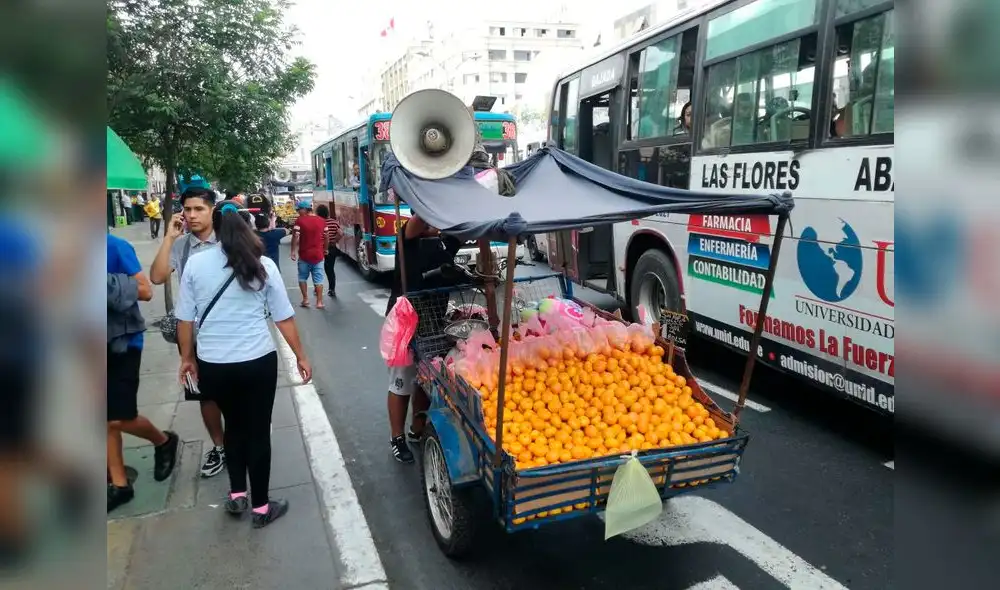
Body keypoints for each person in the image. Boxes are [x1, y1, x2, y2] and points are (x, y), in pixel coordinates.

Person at [175, 202, 312, 528]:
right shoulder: (262, 265)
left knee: (233, 428)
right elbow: (283, 317)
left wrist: (186, 358)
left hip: (214, 365)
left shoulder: (196, 264)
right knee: (257, 432)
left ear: (217, 229)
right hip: (256, 363)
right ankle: (262, 508)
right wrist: (300, 356)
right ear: (249, 230)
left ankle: (238, 495)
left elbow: (184, 319)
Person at [149, 187, 227, 478]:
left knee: (235, 394)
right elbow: (156, 277)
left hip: (229, 332)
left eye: (199, 209)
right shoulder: (181, 247)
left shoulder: (229, 242)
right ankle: (219, 447)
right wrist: (170, 237)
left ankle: (238, 442)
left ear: (211, 210)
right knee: (204, 396)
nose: (192, 216)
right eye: (188, 210)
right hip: (194, 334)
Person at [107, 233, 179, 511]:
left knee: (118, 417)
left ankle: (163, 441)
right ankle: (120, 484)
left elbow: (146, 290)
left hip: (122, 342)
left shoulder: (115, 247)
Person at [384, 214, 461, 463]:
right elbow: (419, 219)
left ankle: (417, 430)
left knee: (426, 379)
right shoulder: (407, 238)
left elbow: (465, 230)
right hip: (406, 323)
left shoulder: (443, 242)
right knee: (402, 382)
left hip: (433, 321)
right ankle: (397, 438)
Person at [290, 201, 328, 309]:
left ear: (305, 209)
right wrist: (325, 249)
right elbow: (326, 237)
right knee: (319, 279)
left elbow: (295, 237)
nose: (298, 212)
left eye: (299, 210)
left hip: (304, 256)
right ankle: (319, 302)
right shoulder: (322, 221)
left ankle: (305, 299)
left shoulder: (300, 221)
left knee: (302, 277)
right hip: (318, 256)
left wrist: (292, 251)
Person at [315, 204, 342, 297]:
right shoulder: (334, 222)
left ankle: (317, 289)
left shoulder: (317, 223)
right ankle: (332, 289)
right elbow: (340, 233)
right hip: (331, 248)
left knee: (318, 269)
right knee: (330, 269)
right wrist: (334, 240)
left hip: (320, 249)